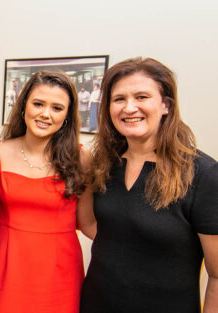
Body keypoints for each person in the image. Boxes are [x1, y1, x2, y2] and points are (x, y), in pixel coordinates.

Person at [80, 57, 218, 313]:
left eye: (142, 97)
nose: (129, 108)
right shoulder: (102, 165)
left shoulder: (202, 174)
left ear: (166, 105)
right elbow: (93, 226)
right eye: (119, 99)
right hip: (96, 303)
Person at [0, 70, 95, 313]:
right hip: (7, 269)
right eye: (38, 104)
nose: (45, 114)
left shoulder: (81, 157)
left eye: (57, 108)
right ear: (24, 106)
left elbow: (88, 224)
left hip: (59, 273)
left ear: (67, 116)